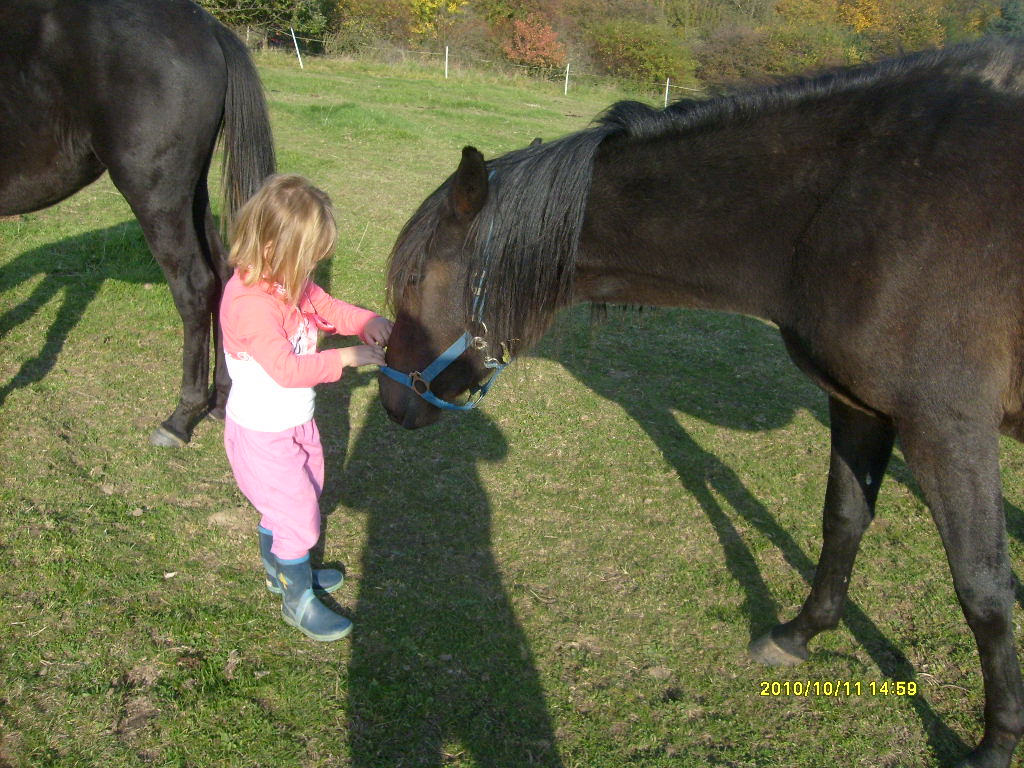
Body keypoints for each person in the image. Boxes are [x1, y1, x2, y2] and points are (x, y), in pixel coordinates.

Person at [220, 174, 392, 641]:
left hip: (295, 420)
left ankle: (282, 571)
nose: (314, 266)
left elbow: (328, 307)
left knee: (304, 494)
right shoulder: (252, 304)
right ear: (273, 247)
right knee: (298, 514)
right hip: (261, 432)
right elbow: (284, 369)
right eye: (309, 256)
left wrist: (367, 322)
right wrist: (346, 357)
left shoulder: (288, 282)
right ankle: (298, 602)